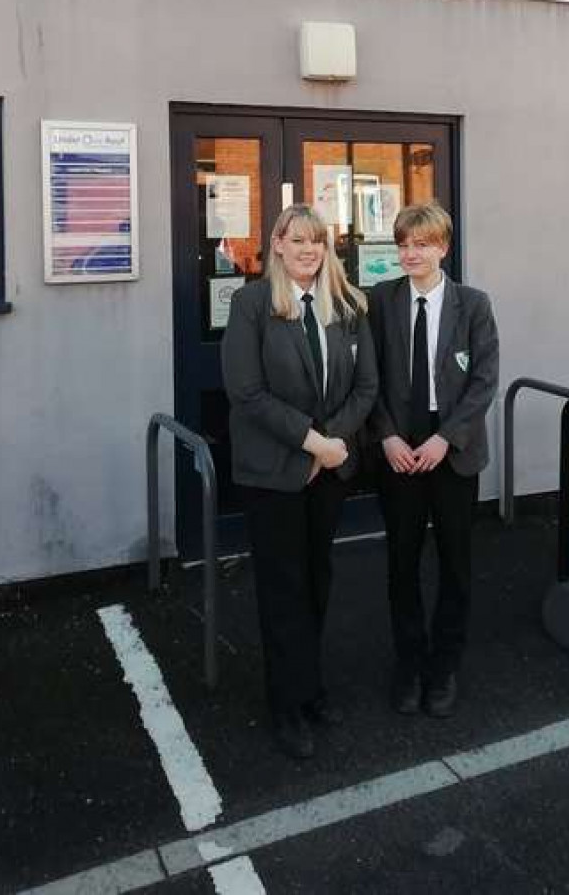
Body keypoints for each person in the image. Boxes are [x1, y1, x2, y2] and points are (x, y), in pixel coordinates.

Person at [222, 204, 377, 760]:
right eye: (297, 240)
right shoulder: (251, 305)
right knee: (282, 589)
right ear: (278, 246)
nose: (308, 250)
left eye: (317, 240)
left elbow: (366, 388)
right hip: (274, 473)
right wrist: (313, 444)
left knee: (317, 581)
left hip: (328, 472)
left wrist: (332, 444)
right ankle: (285, 704)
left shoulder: (349, 305)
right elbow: (247, 393)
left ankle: (310, 688)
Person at [368, 202, 500, 718]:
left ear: (443, 247)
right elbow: (368, 380)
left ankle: (443, 666)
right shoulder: (380, 301)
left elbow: (484, 379)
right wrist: (386, 437)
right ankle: (409, 664)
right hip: (399, 448)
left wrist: (447, 437)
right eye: (403, 244)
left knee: (455, 564)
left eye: (421, 244)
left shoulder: (473, 304)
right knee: (401, 564)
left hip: (453, 450)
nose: (410, 253)